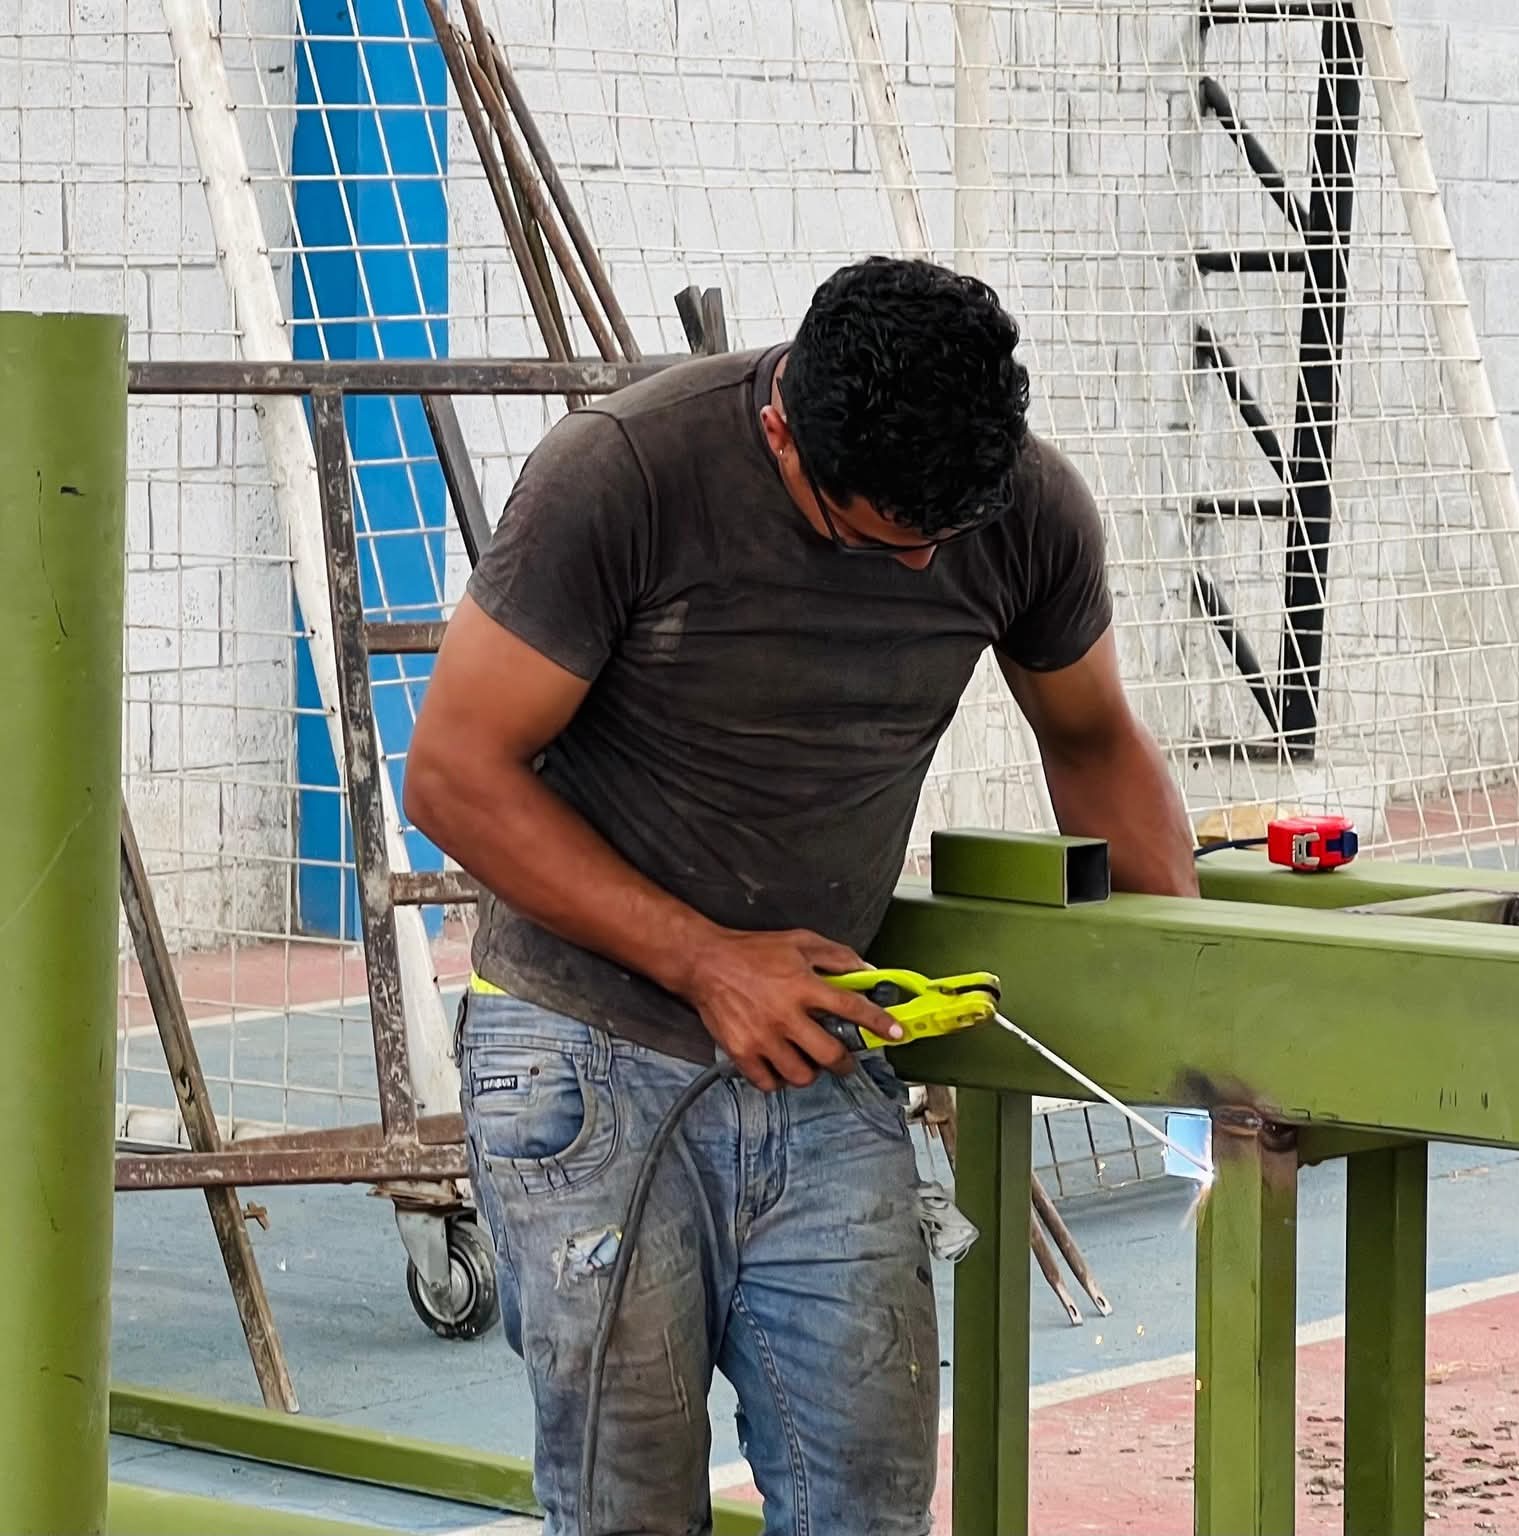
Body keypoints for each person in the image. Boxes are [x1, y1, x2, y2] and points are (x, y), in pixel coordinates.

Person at [405, 255, 1197, 1536]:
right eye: (884, 540)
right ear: (782, 432)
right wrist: (707, 961)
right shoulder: (623, 474)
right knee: (627, 1509)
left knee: (866, 1501)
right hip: (583, 1056)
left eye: (944, 538)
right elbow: (452, 774)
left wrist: (1189, 987)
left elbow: (1091, 736)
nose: (921, 564)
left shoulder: (1019, 506)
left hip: (819, 1049)